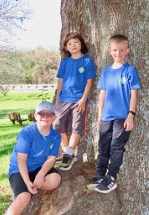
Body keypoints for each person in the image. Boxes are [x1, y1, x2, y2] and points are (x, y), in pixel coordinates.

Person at [87, 34, 140, 193]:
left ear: (127, 51)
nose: (118, 53)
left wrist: (131, 114)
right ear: (110, 51)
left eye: (122, 50)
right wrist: (99, 116)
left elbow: (134, 94)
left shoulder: (129, 70)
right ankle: (100, 175)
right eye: (115, 50)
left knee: (116, 147)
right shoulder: (106, 72)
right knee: (103, 147)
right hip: (106, 117)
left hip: (122, 117)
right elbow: (102, 95)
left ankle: (111, 178)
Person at [6, 102, 61, 215]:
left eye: (49, 114)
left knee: (55, 179)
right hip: (19, 170)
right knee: (24, 196)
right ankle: (23, 188)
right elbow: (21, 160)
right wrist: (26, 182)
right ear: (35, 116)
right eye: (42, 114)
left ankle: (34, 183)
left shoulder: (56, 135)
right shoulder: (26, 133)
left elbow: (51, 158)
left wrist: (41, 174)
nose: (45, 117)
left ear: (54, 117)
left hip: (38, 168)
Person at [53, 32, 96, 171]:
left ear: (81, 43)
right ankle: (67, 152)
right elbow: (60, 81)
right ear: (66, 47)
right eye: (69, 44)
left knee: (76, 127)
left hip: (79, 100)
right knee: (57, 124)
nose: (73, 45)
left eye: (76, 42)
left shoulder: (87, 61)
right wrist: (58, 99)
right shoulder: (65, 62)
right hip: (64, 99)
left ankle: (69, 154)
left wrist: (83, 100)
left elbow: (89, 82)